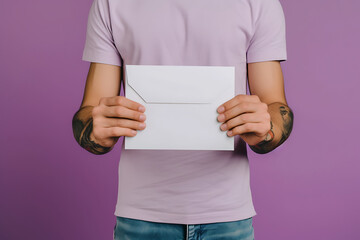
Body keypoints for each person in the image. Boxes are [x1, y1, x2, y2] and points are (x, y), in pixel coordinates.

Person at [72, 0, 294, 239]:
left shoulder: (259, 3)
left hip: (227, 217)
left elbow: (275, 107)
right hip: (141, 216)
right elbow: (90, 111)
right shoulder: (110, 3)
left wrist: (266, 126)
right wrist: (96, 130)